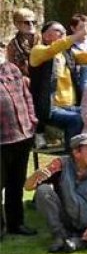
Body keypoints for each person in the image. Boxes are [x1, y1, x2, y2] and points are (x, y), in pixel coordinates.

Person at [29, 20, 87, 148]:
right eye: (59, 31)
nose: (64, 34)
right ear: (46, 36)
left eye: (65, 32)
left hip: (71, 106)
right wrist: (79, 34)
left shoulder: (68, 53)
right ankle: (72, 155)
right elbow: (53, 49)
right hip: (50, 109)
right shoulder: (38, 51)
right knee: (77, 119)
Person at [0, 59, 39, 237]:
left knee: (16, 184)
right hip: (2, 140)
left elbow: (27, 96)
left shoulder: (11, 68)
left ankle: (16, 224)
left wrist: (32, 120)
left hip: (22, 135)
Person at [6, 8, 38, 78]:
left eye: (34, 22)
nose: (31, 25)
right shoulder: (13, 45)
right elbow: (12, 68)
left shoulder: (43, 39)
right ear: (17, 24)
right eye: (27, 22)